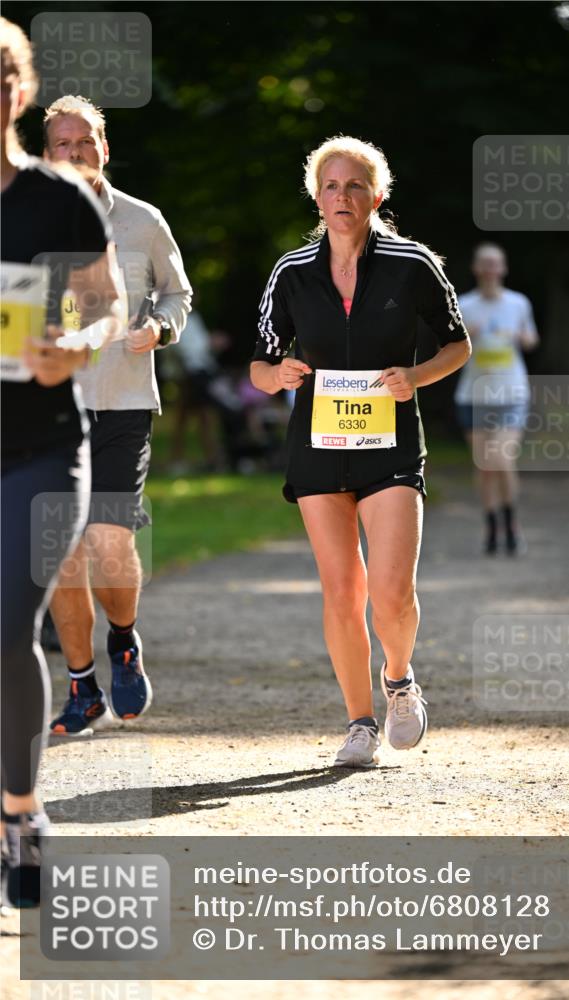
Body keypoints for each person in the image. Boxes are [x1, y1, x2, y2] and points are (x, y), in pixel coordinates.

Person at [250, 136, 471, 768]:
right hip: (318, 445)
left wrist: (418, 376)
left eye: (354, 186)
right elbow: (260, 362)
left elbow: (458, 344)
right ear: (315, 197)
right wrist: (277, 376)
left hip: (391, 443)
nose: (341, 197)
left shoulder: (412, 263)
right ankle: (359, 722)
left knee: (391, 590)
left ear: (377, 195)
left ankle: (398, 680)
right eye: (330, 186)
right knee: (342, 588)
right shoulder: (291, 272)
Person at [0, 18, 120, 905]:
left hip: (40, 447)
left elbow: (107, 301)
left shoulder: (59, 197)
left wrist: (76, 346)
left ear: (25, 87)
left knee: (9, 626)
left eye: (5, 71)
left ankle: (21, 811)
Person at [42, 95, 192, 735]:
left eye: (84, 142)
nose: (74, 154)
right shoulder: (21, 220)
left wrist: (159, 326)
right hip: (44, 409)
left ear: (104, 145)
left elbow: (177, 291)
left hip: (123, 402)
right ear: (45, 154)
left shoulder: (141, 220)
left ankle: (124, 641)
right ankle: (81, 687)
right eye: (61, 145)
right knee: (61, 558)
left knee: (109, 543)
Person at [454, 243, 539, 554]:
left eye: (496, 264)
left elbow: (531, 339)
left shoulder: (518, 303)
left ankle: (511, 524)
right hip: (473, 395)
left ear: (503, 269)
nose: (491, 269)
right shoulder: (463, 304)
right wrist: (467, 338)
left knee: (503, 459)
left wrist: (519, 336)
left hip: (511, 394)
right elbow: (448, 351)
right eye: (485, 263)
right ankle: (491, 526)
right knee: (485, 466)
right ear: (476, 268)